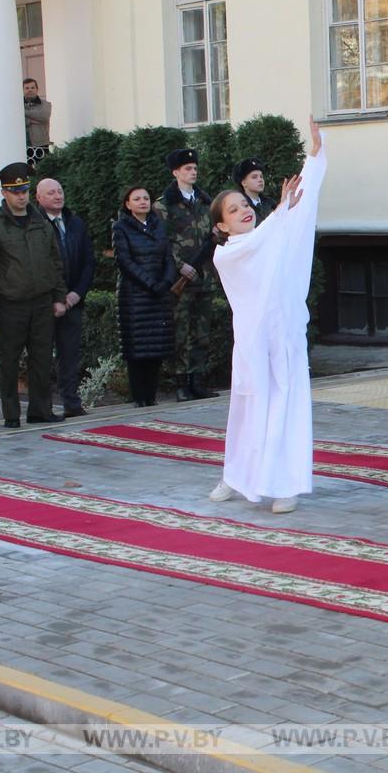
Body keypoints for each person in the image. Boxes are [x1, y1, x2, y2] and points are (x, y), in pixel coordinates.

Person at [206, 118, 325, 514]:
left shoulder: (276, 228)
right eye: (233, 210)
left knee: (287, 405)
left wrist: (314, 157)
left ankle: (286, 484)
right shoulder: (228, 252)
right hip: (254, 344)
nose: (243, 211)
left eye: (244, 205)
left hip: (285, 337)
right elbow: (261, 240)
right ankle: (236, 475)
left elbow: (300, 210)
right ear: (221, 225)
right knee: (247, 409)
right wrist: (281, 212)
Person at [0, 162, 67, 428]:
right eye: (15, 191)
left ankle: (41, 410)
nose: (21, 196)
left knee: (41, 359)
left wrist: (59, 297)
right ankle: (11, 414)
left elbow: (55, 261)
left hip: (41, 301)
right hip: (11, 303)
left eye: (24, 190)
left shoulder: (41, 222)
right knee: (10, 360)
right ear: (5, 193)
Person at [154, 148, 218, 402]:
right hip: (181, 276)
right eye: (187, 169)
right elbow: (162, 241)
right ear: (175, 172)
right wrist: (179, 265)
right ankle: (181, 382)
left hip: (204, 275)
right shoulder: (164, 204)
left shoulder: (205, 202)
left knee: (201, 332)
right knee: (180, 332)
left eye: (194, 168)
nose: (193, 172)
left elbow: (215, 234)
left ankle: (197, 379)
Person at [36, 178, 95, 417]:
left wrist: (76, 294)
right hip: (45, 302)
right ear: (39, 198)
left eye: (60, 191)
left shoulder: (75, 223)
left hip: (73, 301)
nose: (58, 196)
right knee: (41, 356)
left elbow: (88, 262)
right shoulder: (35, 224)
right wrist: (56, 297)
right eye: (51, 193)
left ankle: (71, 402)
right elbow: (40, 266)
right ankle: (42, 406)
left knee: (69, 355)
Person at [112, 187, 176, 407]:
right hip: (134, 295)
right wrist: (149, 284)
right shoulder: (120, 227)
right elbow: (125, 261)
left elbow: (168, 257)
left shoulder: (159, 225)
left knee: (156, 347)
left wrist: (166, 282)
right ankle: (139, 396)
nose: (142, 202)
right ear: (128, 204)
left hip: (159, 293)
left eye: (146, 198)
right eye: (136, 199)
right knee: (137, 349)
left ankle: (152, 395)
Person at [232, 157, 277, 224]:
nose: (260, 180)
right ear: (244, 183)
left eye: (261, 176)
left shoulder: (271, 203)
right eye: (254, 177)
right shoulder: (240, 207)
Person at [23, 78, 52, 166]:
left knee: (42, 172)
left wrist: (24, 113)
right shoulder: (16, 105)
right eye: (27, 88)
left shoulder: (46, 104)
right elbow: (18, 122)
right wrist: (32, 120)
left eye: (32, 87)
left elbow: (44, 117)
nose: (30, 90)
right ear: (23, 90)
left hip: (41, 145)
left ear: (37, 89)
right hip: (24, 145)